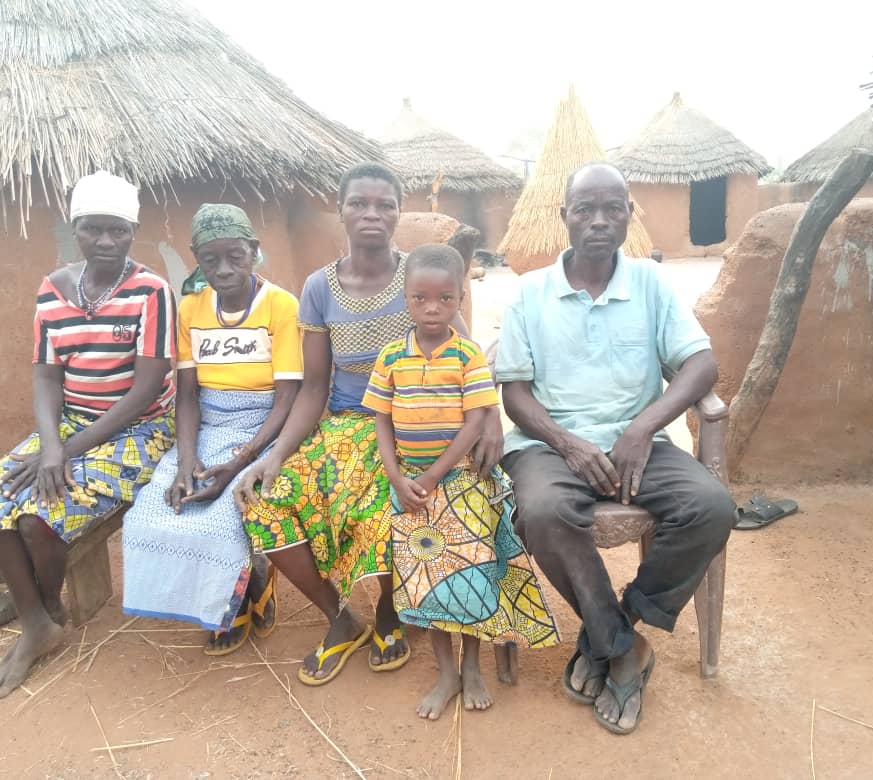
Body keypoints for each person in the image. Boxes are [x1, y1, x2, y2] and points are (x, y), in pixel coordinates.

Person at [232, 162, 504, 687]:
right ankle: (339, 617)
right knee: (265, 498)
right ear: (340, 210)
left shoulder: (420, 278)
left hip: (420, 426)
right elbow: (314, 387)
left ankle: (389, 611)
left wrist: (490, 416)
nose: (371, 214)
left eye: (385, 205)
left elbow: (467, 356)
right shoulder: (320, 287)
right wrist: (276, 454)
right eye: (359, 203)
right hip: (347, 426)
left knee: (388, 502)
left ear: (400, 212)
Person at [496, 163, 735, 735]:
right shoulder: (531, 293)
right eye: (586, 209)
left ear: (630, 214)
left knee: (712, 508)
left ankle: (615, 627)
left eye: (612, 208)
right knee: (544, 512)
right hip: (550, 446)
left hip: (638, 446)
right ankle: (624, 650)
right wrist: (566, 442)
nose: (599, 221)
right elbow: (515, 393)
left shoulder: (650, 283)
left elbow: (701, 364)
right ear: (565, 217)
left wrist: (642, 428)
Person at [0, 171, 176, 699]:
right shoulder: (52, 289)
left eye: (118, 230)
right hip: (70, 425)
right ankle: (38, 620)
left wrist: (63, 454)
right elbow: (45, 376)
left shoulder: (152, 291)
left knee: (40, 517)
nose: (106, 241)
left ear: (132, 232)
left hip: (141, 429)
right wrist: (50, 447)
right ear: (74, 228)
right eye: (93, 229)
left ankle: (44, 607)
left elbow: (145, 390)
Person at [362, 244, 558, 720]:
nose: (432, 308)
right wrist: (396, 476)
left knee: (469, 578)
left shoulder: (467, 356)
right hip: (410, 491)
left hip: (462, 485)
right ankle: (446, 673)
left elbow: (474, 424)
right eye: (420, 298)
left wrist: (434, 475)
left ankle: (472, 666)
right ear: (405, 299)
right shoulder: (391, 357)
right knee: (426, 582)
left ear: (460, 300)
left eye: (445, 299)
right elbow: (382, 420)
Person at [121, 204, 301, 655]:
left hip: (263, 427)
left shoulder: (280, 305)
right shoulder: (192, 308)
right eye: (210, 259)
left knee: (224, 515)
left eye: (235, 256)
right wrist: (187, 461)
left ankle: (242, 592)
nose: (223, 269)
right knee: (157, 510)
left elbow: (287, 399)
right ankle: (231, 596)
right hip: (207, 425)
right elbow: (187, 394)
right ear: (196, 257)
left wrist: (241, 462)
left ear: (253, 251)